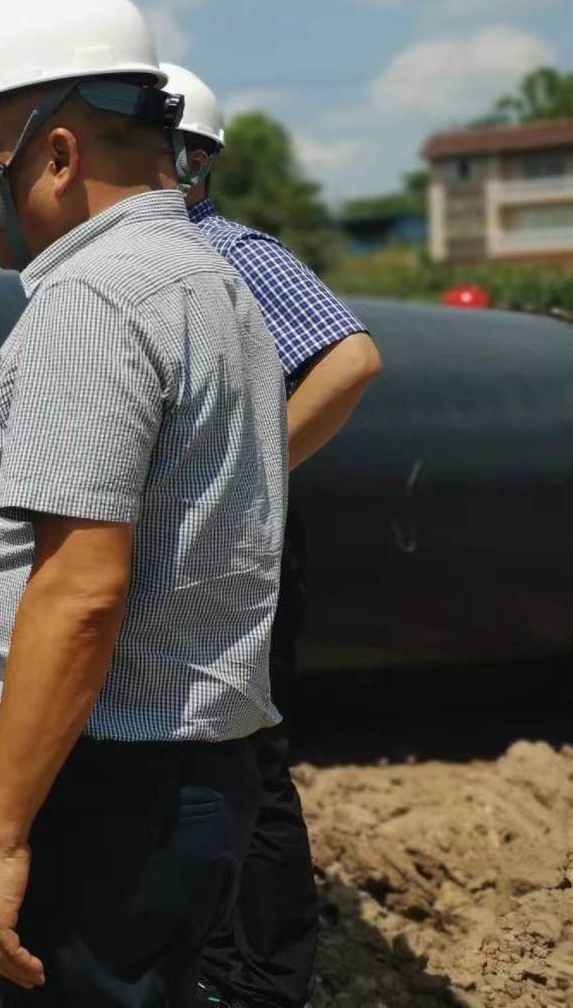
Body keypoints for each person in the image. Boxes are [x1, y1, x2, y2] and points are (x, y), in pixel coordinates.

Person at [0, 0, 288, 1004]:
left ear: (54, 154)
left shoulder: (91, 301)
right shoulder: (213, 279)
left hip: (103, 785)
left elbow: (81, 592)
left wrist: (0, 833)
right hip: (194, 770)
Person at [163, 63, 383, 1008]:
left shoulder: (231, 252)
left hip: (243, 552)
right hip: (199, 553)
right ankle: (213, 956)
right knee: (198, 752)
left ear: (197, 160)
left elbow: (351, 356)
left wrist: (250, 469)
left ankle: (259, 977)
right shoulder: (157, 263)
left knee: (246, 757)